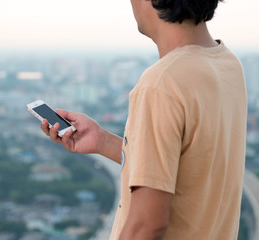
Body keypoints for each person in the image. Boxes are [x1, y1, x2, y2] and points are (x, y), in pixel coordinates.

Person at [41, 0, 247, 239]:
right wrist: (103, 141)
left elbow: (146, 225)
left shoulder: (161, 84)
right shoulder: (227, 63)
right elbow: (193, 168)